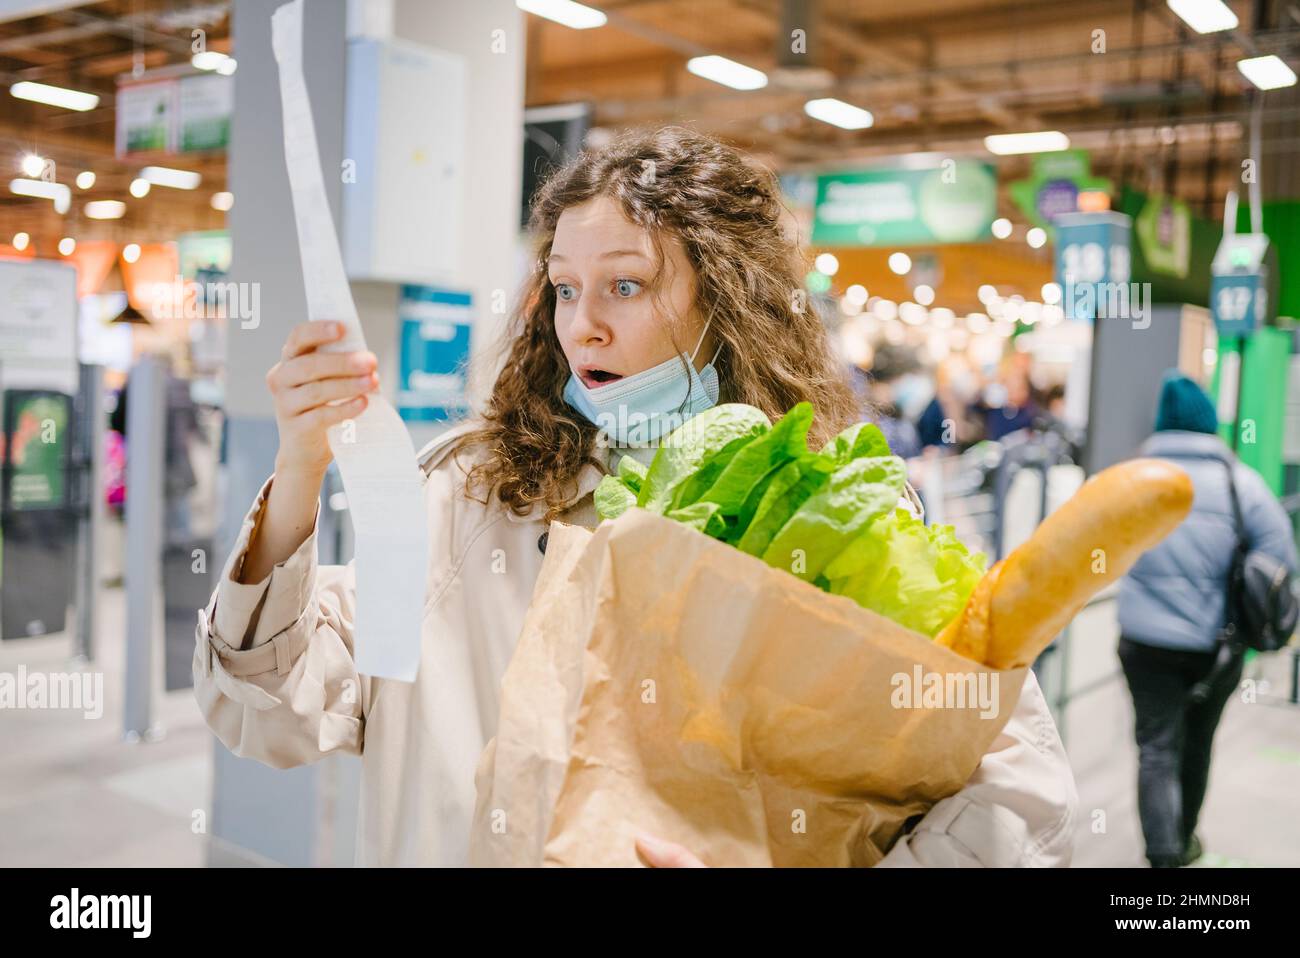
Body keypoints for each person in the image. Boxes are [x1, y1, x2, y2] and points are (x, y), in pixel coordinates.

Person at [193, 127, 1076, 867]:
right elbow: (272, 706)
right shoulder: (472, 493)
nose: (583, 325)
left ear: (729, 301)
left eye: (627, 284)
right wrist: (302, 464)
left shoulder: (835, 512)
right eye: (566, 290)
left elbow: (1017, 797)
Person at [1117, 371, 1297, 867]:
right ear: (1207, 423)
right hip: (1215, 647)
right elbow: (1283, 563)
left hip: (1143, 642)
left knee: (1155, 748)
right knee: (1197, 744)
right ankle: (1186, 836)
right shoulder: (1243, 485)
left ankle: (1162, 857)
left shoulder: (1131, 479)